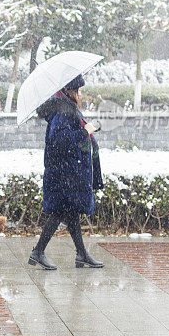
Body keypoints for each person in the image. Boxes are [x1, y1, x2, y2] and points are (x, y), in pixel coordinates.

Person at [28, 74, 105, 270]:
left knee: (70, 214)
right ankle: (38, 252)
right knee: (59, 213)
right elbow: (61, 141)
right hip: (64, 174)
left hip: (66, 172)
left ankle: (81, 254)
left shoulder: (66, 107)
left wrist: (87, 128)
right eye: (78, 90)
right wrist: (86, 130)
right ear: (70, 90)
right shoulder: (63, 110)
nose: (80, 94)